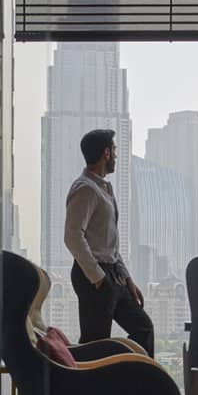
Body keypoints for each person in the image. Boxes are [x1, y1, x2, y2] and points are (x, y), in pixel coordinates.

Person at [64, 128, 154, 356]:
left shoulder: (104, 189)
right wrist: (97, 278)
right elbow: (73, 235)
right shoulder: (85, 189)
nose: (116, 155)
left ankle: (136, 388)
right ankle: (94, 390)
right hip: (96, 276)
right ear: (105, 153)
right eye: (114, 150)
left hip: (113, 274)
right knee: (95, 344)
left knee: (144, 328)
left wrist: (127, 278)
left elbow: (109, 243)